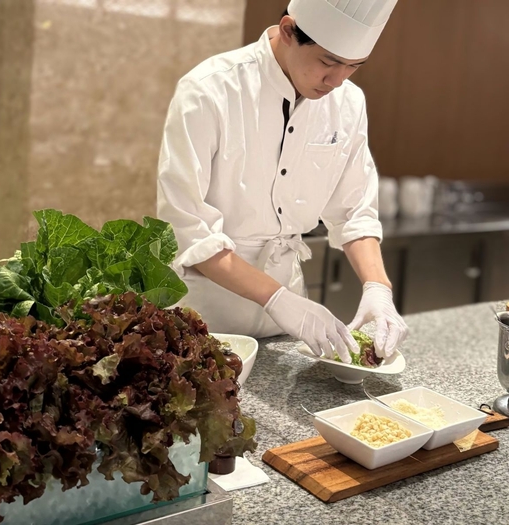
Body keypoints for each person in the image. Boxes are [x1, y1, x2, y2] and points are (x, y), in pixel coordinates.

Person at [157, 0, 408, 363]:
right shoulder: (209, 89)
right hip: (205, 321)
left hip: (284, 326)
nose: (338, 80)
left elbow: (354, 211)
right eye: (328, 62)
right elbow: (189, 231)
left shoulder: (349, 103)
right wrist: (276, 298)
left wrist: (377, 287)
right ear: (289, 30)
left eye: (354, 66)